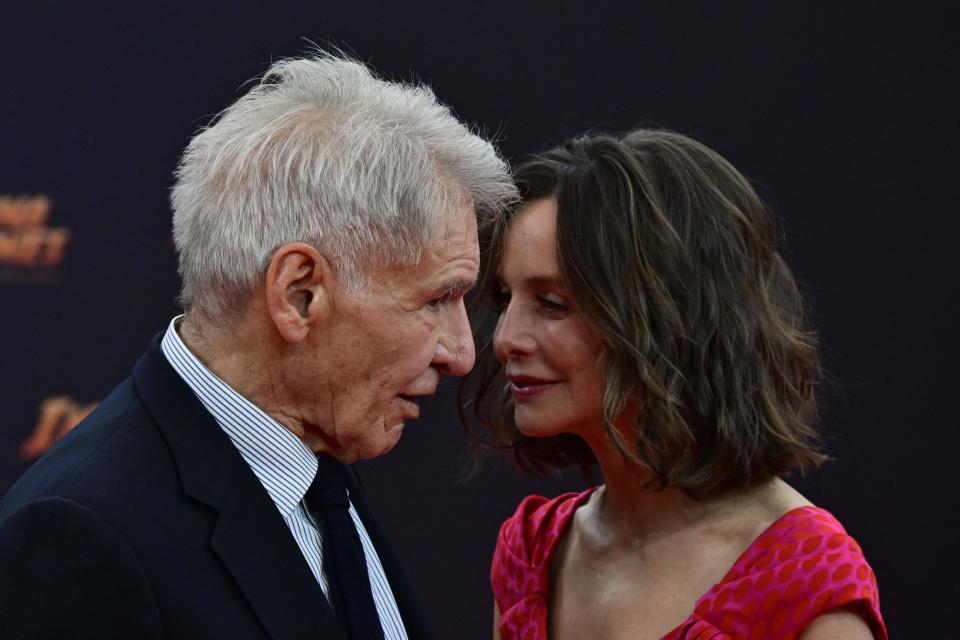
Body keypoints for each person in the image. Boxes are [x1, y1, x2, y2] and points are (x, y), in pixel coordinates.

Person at [0, 53, 515, 639]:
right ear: (298, 295)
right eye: (434, 301)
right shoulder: (79, 536)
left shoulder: (318, 465)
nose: (462, 353)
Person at [462, 129, 887, 639]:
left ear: (667, 319)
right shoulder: (530, 554)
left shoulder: (803, 580)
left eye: (551, 304)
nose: (505, 340)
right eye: (506, 298)